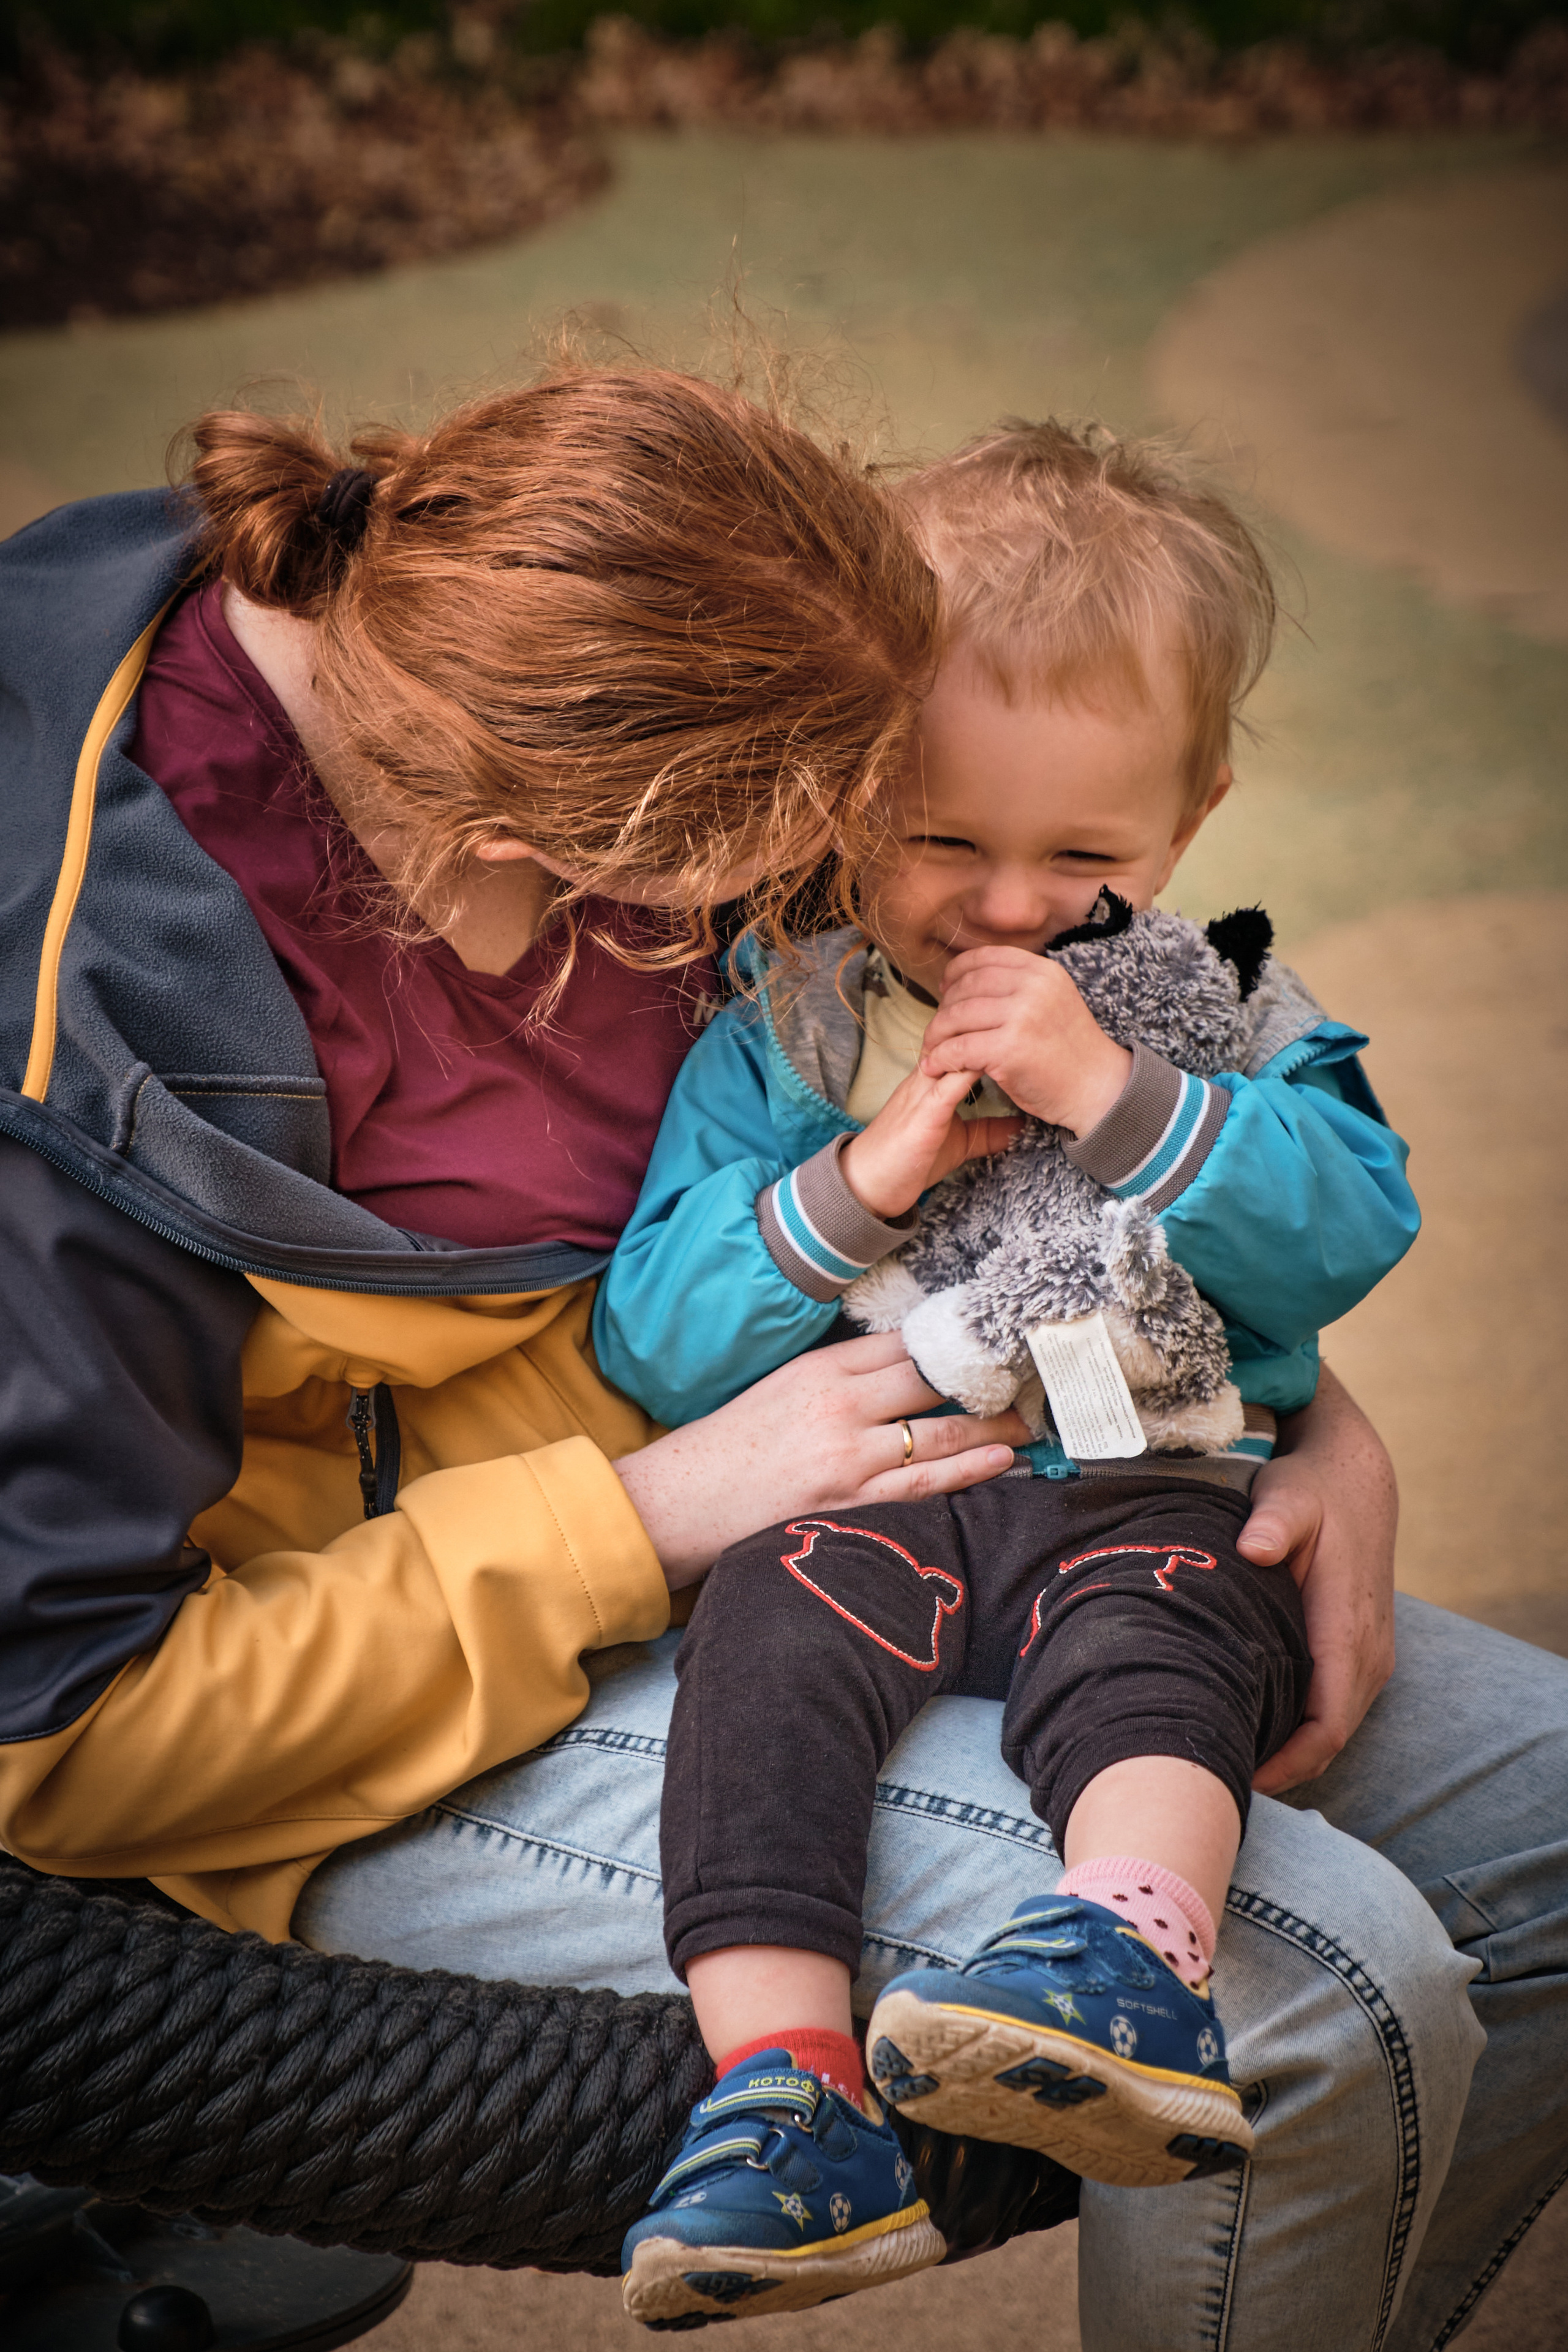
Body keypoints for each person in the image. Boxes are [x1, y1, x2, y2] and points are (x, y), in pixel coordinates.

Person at [0, 366, 1557, 2352]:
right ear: (527, 821)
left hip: (970, 1479)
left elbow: (1202, 1153)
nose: (846, 915)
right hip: (425, 1667)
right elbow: (62, 1733)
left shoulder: (581, 619)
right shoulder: (86, 1063)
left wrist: (1309, 1409)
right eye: (814, 852)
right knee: (1304, 1995)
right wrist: (647, 1512)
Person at [596, 421, 1419, 2324]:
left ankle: (1128, 1961)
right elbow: (655, 1339)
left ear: (1192, 823)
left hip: (1149, 1489)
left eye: (1084, 856)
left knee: (1167, 1650)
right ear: (852, 786)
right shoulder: (788, 1030)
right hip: (873, 1500)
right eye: (944, 841)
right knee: (759, 1672)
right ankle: (782, 2098)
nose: (1005, 910)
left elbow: (1348, 1232)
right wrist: (856, 1181)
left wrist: (1124, 1098)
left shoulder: (1228, 1007)